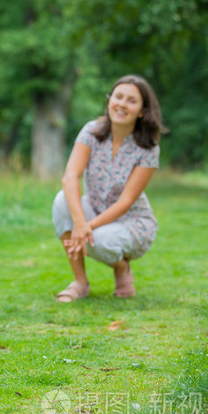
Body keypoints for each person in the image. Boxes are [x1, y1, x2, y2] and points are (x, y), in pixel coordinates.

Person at [52, 75, 166, 302]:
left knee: (102, 241)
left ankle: (121, 268)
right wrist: (79, 221)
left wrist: (85, 227)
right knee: (61, 201)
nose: (122, 104)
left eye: (131, 101)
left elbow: (125, 202)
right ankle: (80, 282)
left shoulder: (148, 148)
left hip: (130, 221)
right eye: (118, 97)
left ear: (142, 111)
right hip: (94, 210)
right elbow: (71, 176)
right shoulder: (91, 132)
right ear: (109, 101)